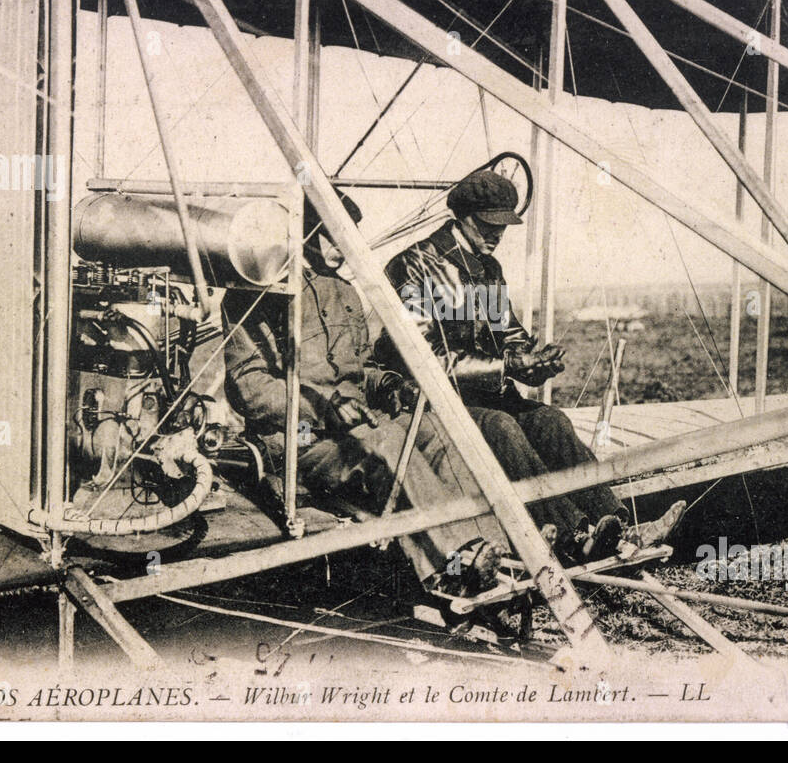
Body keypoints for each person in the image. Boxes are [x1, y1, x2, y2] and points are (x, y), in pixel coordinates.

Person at [378, 169, 684, 566]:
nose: (497, 236)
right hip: (435, 403)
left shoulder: (488, 268)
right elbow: (423, 359)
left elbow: (508, 332)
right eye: (489, 226)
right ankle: (576, 533)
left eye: (503, 227)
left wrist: (535, 363)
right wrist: (507, 365)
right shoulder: (413, 265)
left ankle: (622, 526)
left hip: (487, 394)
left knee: (550, 421)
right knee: (503, 428)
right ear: (461, 217)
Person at [223, 192, 506, 597]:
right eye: (332, 238)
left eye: (348, 238)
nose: (343, 249)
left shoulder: (345, 293)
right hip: (299, 440)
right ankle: (454, 562)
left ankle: (491, 547)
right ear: (304, 234)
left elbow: (363, 368)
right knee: (387, 444)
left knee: (436, 432)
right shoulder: (257, 294)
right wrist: (325, 409)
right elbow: (250, 388)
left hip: (359, 426)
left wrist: (391, 386)